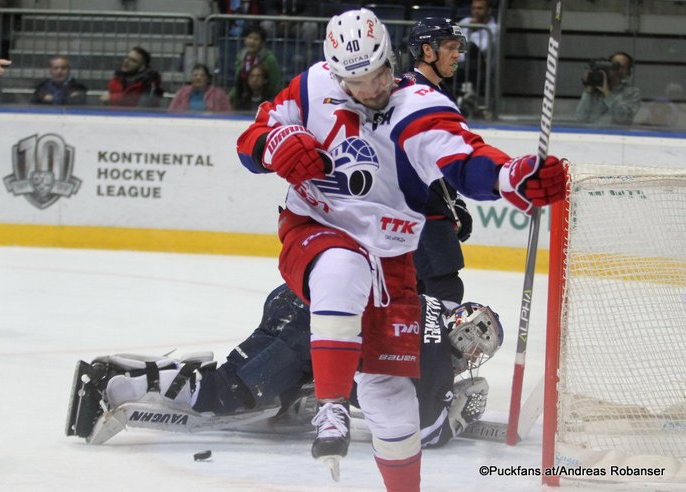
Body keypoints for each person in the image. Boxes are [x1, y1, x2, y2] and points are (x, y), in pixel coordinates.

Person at [235, 8, 566, 491]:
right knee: (340, 266)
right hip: (313, 226)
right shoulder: (310, 86)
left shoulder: (419, 107)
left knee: (390, 395)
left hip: (391, 260)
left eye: (378, 73)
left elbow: (466, 159)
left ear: (390, 57)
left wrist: (509, 177)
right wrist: (275, 144)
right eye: (357, 80)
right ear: (334, 71)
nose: (371, 88)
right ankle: (330, 409)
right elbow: (253, 138)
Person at [66, 285, 503, 453]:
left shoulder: (430, 306)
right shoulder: (434, 354)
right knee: (233, 394)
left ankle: (166, 374)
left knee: (283, 394)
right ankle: (120, 382)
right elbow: (421, 433)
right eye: (475, 349)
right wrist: (455, 418)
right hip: (307, 323)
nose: (470, 361)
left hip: (306, 303)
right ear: (464, 335)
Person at [405, 17, 474, 306]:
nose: (457, 55)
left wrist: (454, 204)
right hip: (421, 219)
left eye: (458, 47)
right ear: (428, 51)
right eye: (450, 47)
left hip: (427, 216)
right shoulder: (412, 95)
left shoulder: (433, 91)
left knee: (425, 295)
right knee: (443, 295)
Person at [575, 51, 641, 126]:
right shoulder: (596, 89)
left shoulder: (632, 92)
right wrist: (589, 90)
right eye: (614, 65)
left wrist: (607, 93)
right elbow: (580, 117)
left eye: (622, 67)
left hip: (618, 135)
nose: (617, 70)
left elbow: (623, 118)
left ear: (628, 72)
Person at [227, 25, 282, 107]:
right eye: (249, 38)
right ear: (245, 40)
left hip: (265, 100)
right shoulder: (241, 56)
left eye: (256, 39)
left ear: (262, 42)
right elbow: (237, 83)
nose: (252, 41)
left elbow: (275, 85)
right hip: (243, 99)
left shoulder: (270, 59)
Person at [100, 47, 164, 108]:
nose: (126, 62)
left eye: (133, 61)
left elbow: (141, 104)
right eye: (127, 58)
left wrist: (111, 98)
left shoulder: (148, 82)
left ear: (142, 67)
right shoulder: (117, 79)